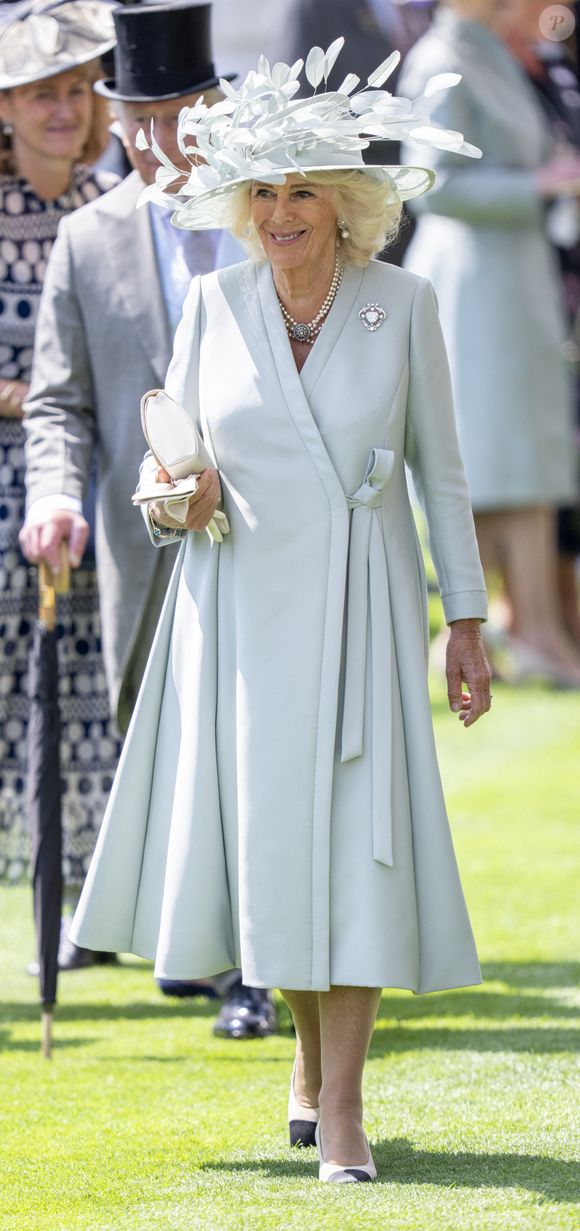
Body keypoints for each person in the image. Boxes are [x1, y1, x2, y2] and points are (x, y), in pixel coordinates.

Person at [70, 38, 492, 1182]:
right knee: (278, 856)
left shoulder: (400, 305)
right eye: (264, 189)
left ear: (348, 203)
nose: (282, 210)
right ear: (239, 204)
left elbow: (440, 473)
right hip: (238, 614)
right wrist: (176, 496)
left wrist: (466, 620)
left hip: (361, 605)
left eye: (304, 187)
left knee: (352, 851)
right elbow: (180, 471)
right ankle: (308, 1066)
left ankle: (341, 1107)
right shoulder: (212, 301)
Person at [18, 0, 275, 1039]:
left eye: (184, 113)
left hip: (262, 534)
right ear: (115, 124)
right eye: (144, 118)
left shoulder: (272, 216)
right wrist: (53, 495)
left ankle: (258, 969)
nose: (164, 139)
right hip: (136, 542)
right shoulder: (88, 238)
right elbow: (57, 400)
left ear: (216, 111)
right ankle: (196, 940)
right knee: (156, 745)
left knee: (255, 747)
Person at [399, 0, 580, 686]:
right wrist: (539, 184)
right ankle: (506, 629)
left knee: (525, 454)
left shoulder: (491, 48)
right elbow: (431, 183)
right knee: (481, 455)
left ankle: (537, 626)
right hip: (473, 282)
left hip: (516, 276)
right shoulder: (443, 57)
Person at [0, 0, 122, 905]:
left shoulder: (109, 207)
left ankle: (83, 895)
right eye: (42, 91)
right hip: (13, 480)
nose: (63, 109)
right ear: (5, 105)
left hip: (89, 482)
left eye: (77, 89)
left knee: (88, 688)